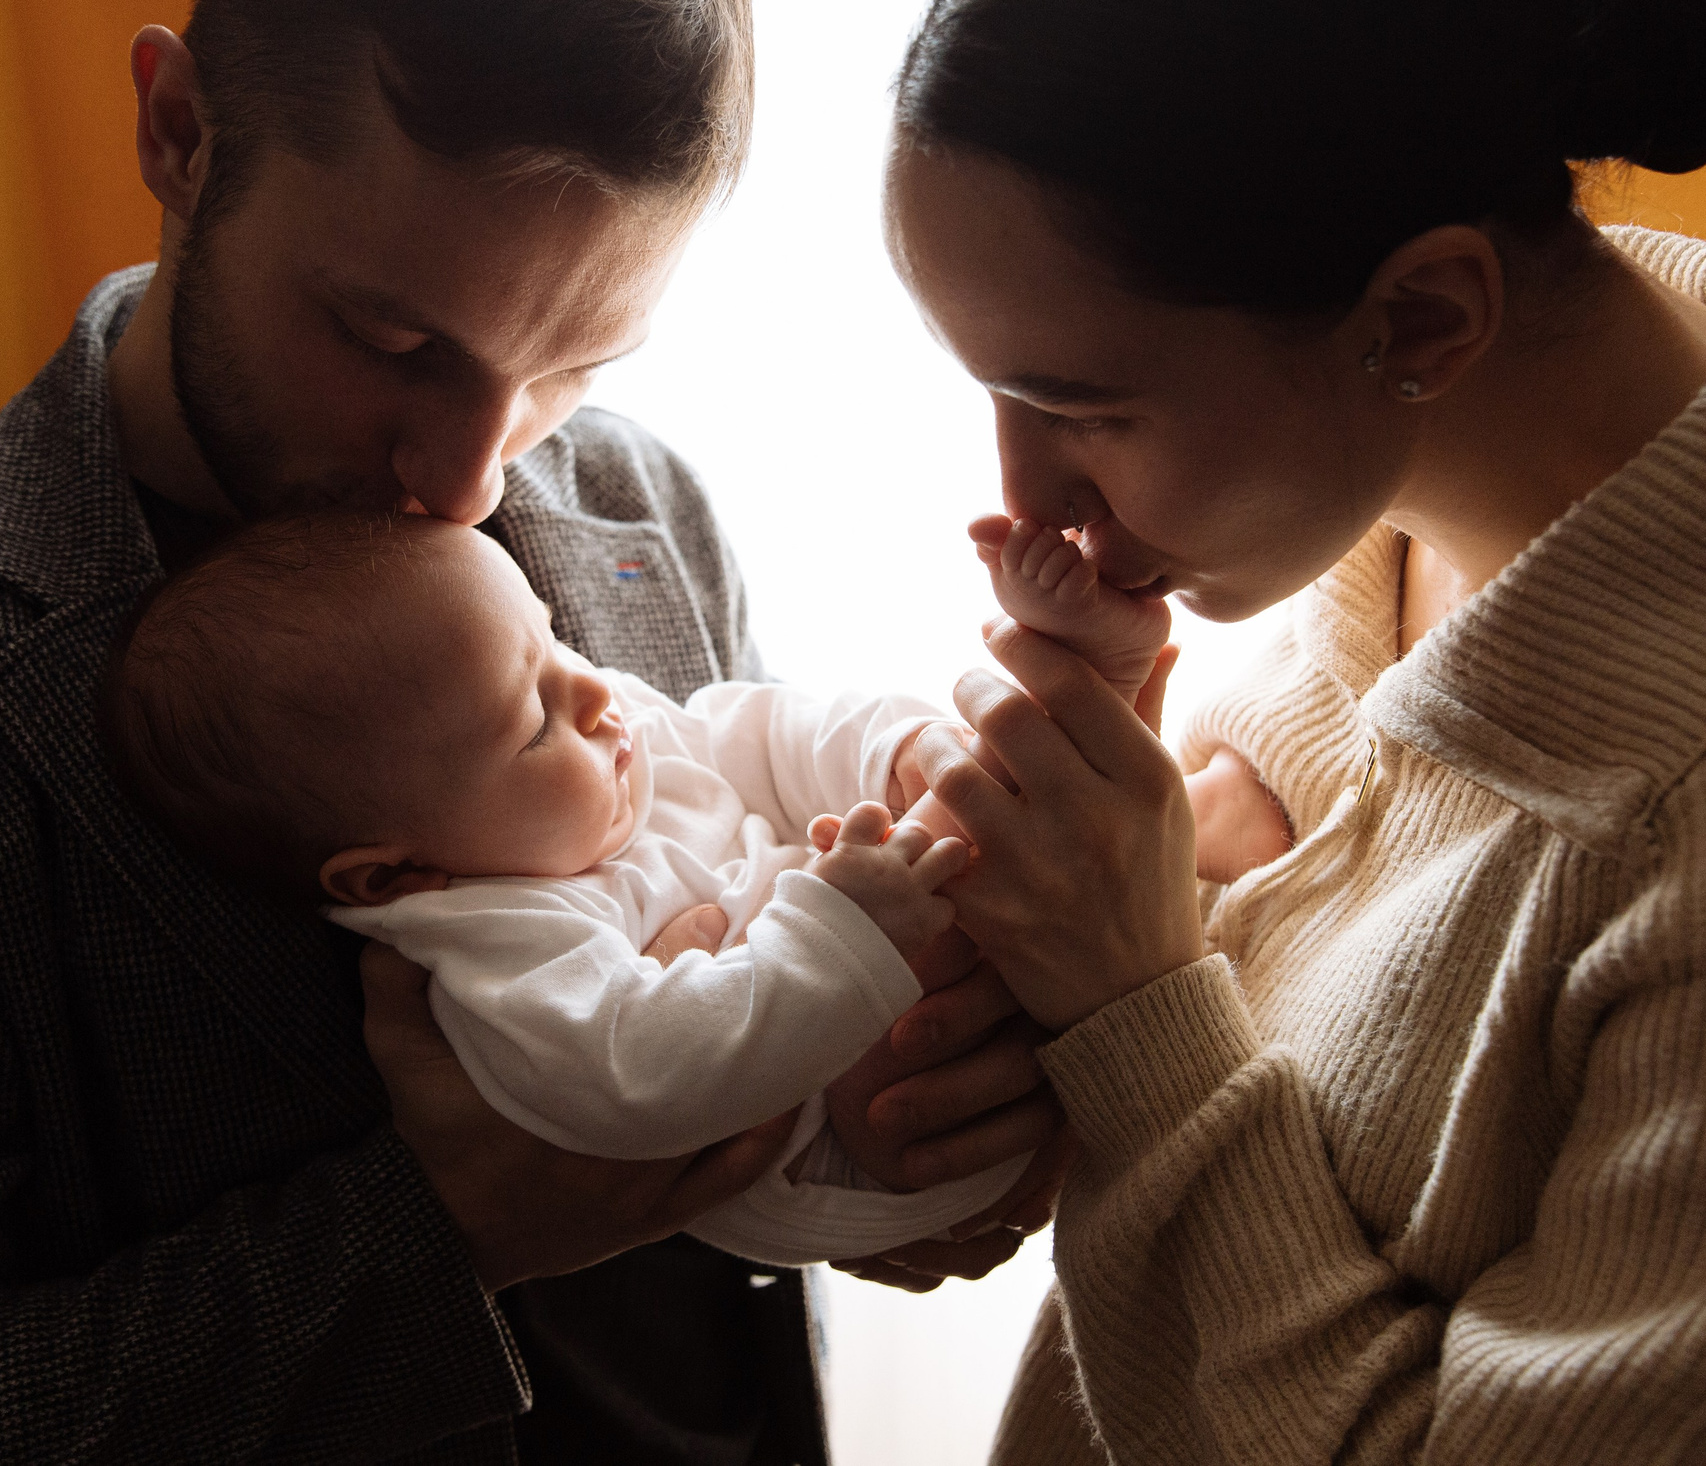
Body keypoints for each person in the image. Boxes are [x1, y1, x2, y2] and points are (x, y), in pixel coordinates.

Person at [0, 0, 1061, 1460]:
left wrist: (917, 1145)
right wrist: (441, 1230)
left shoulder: (639, 505)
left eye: (571, 361)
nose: (476, 477)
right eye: (391, 342)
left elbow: (750, 904)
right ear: (179, 133)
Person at [881, 0, 1706, 1463]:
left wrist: (1134, 1018)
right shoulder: (1392, 486)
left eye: (1083, 406)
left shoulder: (1669, 834)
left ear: (1422, 313)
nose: (1026, 502)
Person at [100, 505, 1168, 1265]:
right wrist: (842, 924)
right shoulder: (502, 938)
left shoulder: (595, 744)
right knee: (958, 865)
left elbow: (750, 729)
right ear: (400, 870)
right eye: (529, 719)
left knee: (945, 830)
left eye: (554, 641)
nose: (595, 693)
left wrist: (885, 752)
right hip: (831, 1140)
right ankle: (1078, 686)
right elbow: (644, 1072)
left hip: (918, 1062)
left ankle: (1096, 736)